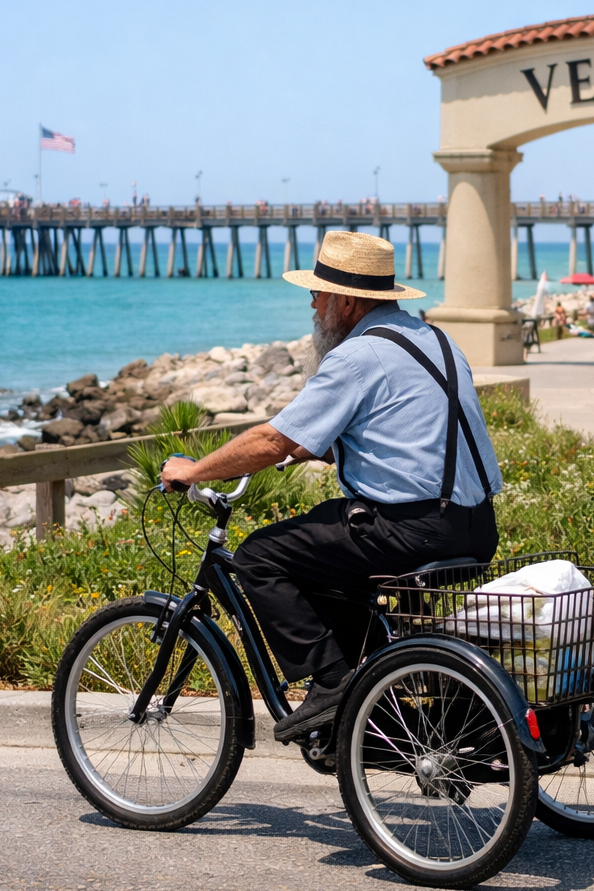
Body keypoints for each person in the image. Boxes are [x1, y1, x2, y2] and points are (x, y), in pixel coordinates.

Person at [161, 231, 503, 742]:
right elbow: (400, 431)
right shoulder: (435, 340)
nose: (313, 306)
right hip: (474, 527)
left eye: (318, 295)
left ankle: (332, 685)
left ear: (346, 301)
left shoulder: (358, 356)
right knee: (330, 560)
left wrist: (192, 471)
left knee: (260, 556)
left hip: (413, 531)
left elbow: (271, 439)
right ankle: (372, 717)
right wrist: (313, 445)